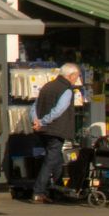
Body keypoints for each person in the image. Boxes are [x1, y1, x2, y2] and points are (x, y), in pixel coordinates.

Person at [29, 63, 82, 202]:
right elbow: (59, 110)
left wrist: (36, 120)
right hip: (56, 130)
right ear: (70, 76)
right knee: (51, 159)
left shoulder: (47, 86)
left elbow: (34, 106)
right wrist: (43, 121)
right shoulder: (67, 90)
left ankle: (59, 190)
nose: (77, 79)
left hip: (43, 130)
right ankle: (38, 191)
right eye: (76, 76)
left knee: (56, 158)